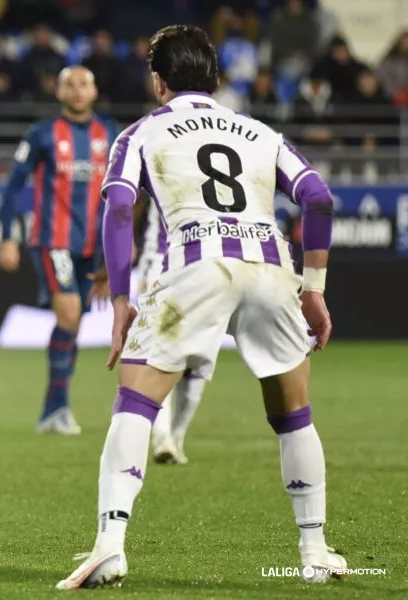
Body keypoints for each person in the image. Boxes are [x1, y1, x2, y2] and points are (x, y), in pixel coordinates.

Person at [57, 25, 343, 589]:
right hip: (269, 266)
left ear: (158, 82)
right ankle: (314, 550)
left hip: (195, 266)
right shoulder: (260, 131)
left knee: (136, 405)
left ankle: (110, 546)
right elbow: (319, 198)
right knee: (293, 417)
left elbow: (119, 211)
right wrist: (313, 288)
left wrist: (120, 299)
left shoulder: (141, 132)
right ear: (214, 79)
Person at [0, 65, 117, 435]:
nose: (78, 91)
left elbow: (124, 195)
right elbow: (13, 186)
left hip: (93, 246)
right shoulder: (42, 134)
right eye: (70, 85)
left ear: (94, 92)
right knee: (68, 315)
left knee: (74, 322)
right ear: (59, 92)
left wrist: (117, 254)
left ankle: (53, 409)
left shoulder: (110, 134)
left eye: (84, 84)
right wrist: (7, 235)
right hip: (54, 241)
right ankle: (57, 409)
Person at [137, 199, 209, 465]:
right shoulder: (158, 160)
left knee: (197, 359)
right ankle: (163, 438)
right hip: (163, 265)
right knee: (162, 354)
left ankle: (176, 437)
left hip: (206, 269)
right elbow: (149, 221)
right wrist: (145, 267)